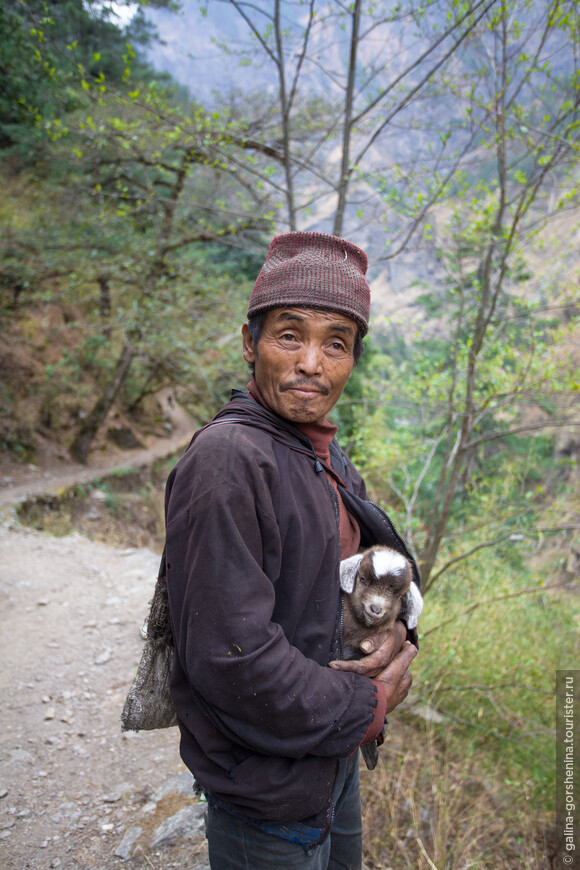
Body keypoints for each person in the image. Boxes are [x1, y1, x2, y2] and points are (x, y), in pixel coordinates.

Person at [164, 231, 419, 870]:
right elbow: (231, 658)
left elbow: (366, 586)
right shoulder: (228, 461)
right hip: (266, 789)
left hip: (327, 765)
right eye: (288, 335)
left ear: (353, 359)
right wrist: (369, 703)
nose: (312, 362)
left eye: (336, 343)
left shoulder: (324, 460)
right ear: (251, 344)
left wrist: (395, 643)